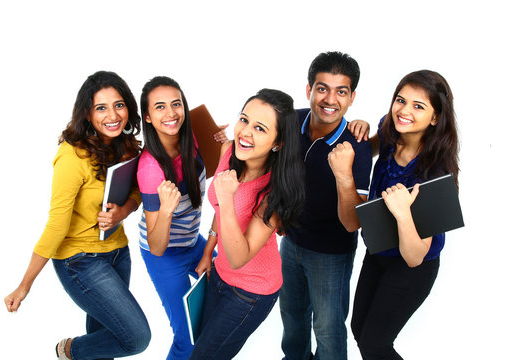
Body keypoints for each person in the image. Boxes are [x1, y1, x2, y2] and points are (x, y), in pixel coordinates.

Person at [4, 71, 151, 360]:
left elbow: (137, 189)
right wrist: (25, 285)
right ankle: (70, 350)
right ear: (87, 113)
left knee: (107, 339)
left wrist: (123, 211)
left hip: (118, 253)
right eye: (101, 108)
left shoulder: (126, 145)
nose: (113, 115)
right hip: (80, 261)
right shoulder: (71, 156)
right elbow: (57, 224)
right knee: (136, 338)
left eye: (119, 105)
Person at [348, 70, 459, 360]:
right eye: (401, 100)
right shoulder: (390, 129)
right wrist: (362, 132)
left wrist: (402, 213)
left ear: (435, 117)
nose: (404, 111)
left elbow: (415, 256)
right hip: (378, 251)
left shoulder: (434, 173)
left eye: (418, 106)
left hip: (412, 268)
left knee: (376, 344)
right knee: (360, 332)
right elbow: (373, 147)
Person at [189, 88, 306, 360]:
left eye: (260, 128)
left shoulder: (275, 194)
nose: (245, 132)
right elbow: (219, 211)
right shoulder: (228, 150)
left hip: (252, 291)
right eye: (244, 120)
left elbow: (239, 257)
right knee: (203, 348)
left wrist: (228, 199)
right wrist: (209, 252)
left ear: (278, 143)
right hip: (219, 273)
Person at [279, 51, 373, 360]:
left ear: (351, 98)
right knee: (292, 321)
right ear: (309, 90)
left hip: (331, 253)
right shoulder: (291, 121)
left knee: (328, 329)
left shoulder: (356, 145)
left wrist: (343, 175)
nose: (330, 99)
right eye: (322, 88)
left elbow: (352, 223)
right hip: (290, 243)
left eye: (341, 91)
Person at [136, 76, 226, 360]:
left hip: (192, 241)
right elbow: (157, 247)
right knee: (186, 339)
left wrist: (223, 147)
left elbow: (217, 170)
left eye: (176, 104)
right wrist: (165, 210)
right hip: (165, 254)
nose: (171, 113)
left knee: (228, 290)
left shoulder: (193, 135)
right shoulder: (151, 169)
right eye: (160, 107)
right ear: (147, 117)